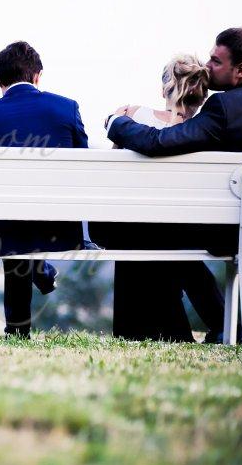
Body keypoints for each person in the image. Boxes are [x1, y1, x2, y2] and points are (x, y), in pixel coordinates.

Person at [107, 28, 242, 344]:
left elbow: (159, 142)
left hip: (236, 229)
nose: (208, 66)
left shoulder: (223, 107)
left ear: (241, 70)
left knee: (169, 233)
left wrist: (117, 123)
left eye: (216, 61)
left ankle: (222, 322)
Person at [0, 41, 89, 339]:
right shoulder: (66, 108)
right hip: (58, 226)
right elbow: (84, 162)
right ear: (37, 76)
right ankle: (35, 275)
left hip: (3, 226)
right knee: (23, 225)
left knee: (13, 223)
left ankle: (16, 326)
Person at [94, 55, 225, 341]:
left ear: (163, 89)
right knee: (171, 237)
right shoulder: (204, 130)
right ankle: (215, 324)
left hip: (129, 228)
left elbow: (112, 169)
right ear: (201, 94)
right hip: (182, 229)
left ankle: (151, 330)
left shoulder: (132, 117)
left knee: (150, 234)